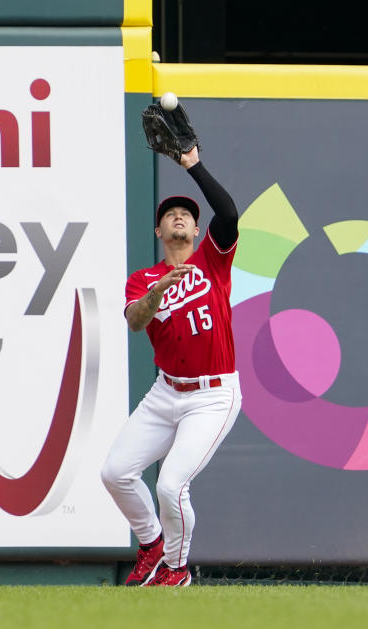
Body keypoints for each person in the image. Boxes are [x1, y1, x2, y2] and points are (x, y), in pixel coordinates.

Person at [101, 146, 242, 587]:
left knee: (170, 486)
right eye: (170, 213)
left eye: (186, 213)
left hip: (214, 395)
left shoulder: (213, 260)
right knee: (116, 473)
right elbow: (136, 323)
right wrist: (154, 294)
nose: (178, 216)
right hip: (167, 392)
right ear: (158, 229)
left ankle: (177, 571)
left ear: (198, 229)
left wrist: (191, 164)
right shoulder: (142, 279)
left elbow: (230, 212)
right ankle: (152, 544)